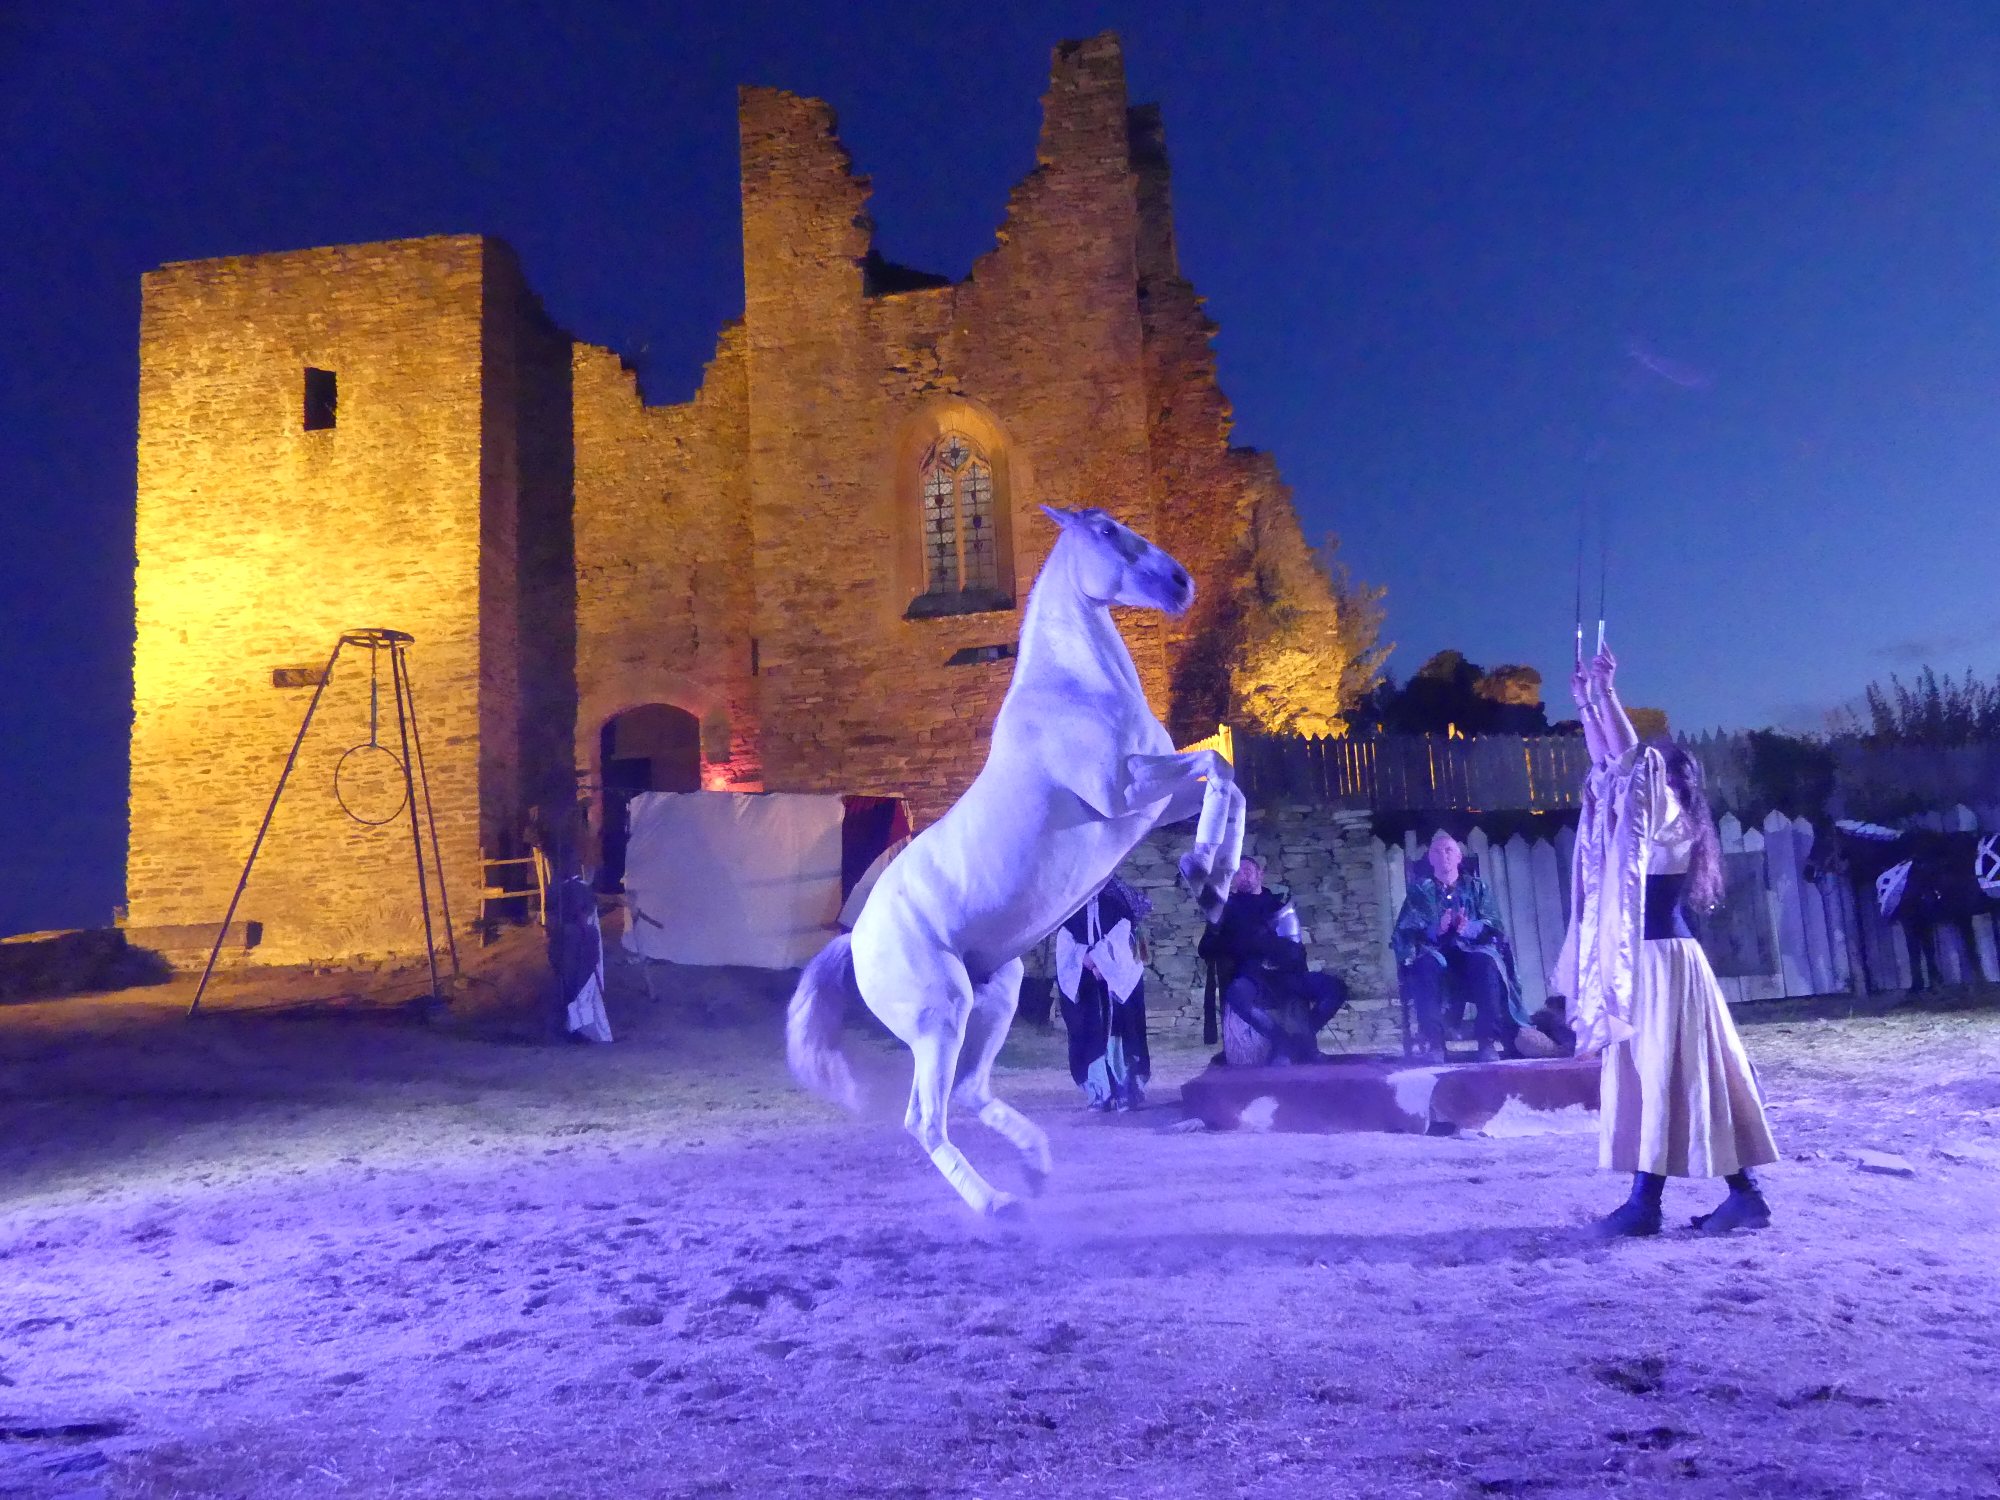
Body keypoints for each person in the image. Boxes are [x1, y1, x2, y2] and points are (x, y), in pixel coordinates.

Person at [1559, 644, 1778, 1236]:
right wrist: (1586, 707)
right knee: (1675, 1075)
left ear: (1671, 784)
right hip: (1655, 964)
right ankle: (1736, 1197)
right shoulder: (1653, 819)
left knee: (1665, 1075)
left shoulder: (1672, 822)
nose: (1641, 783)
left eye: (1653, 775)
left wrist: (1607, 692)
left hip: (1664, 965)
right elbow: (1613, 770)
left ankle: (1647, 1205)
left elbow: (1630, 763)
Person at [1392, 831, 1533, 1061]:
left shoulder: (1477, 888)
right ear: (1430, 859)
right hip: (1435, 953)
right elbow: (1405, 930)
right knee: (1425, 966)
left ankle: (1486, 1042)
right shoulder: (1419, 892)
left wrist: (1467, 928)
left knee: (1486, 962)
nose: (1443, 856)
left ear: (1458, 857)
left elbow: (1494, 924)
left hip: (1471, 953)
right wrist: (1436, 929)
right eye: (1437, 852)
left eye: (1449, 850)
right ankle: (1435, 1044)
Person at [1199, 857, 1348, 1066]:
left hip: (1288, 977)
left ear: (1261, 874)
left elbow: (1297, 950)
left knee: (1336, 989)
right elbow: (1205, 949)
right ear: (1233, 879)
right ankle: (1281, 1039)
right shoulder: (1226, 910)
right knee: (1237, 994)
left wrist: (1279, 951)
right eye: (1239, 872)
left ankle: (1299, 1040)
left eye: (1250, 869)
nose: (1245, 874)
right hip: (1252, 977)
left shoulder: (1278, 906)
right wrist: (1228, 938)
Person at [1056, 876, 1152, 1110]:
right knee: (1089, 1033)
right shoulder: (1070, 908)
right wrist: (1085, 960)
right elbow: (1064, 940)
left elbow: (1123, 936)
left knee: (1122, 1031)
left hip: (1117, 981)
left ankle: (1127, 1089)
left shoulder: (1117, 902)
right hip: (1086, 982)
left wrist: (1102, 963)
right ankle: (1099, 1091)